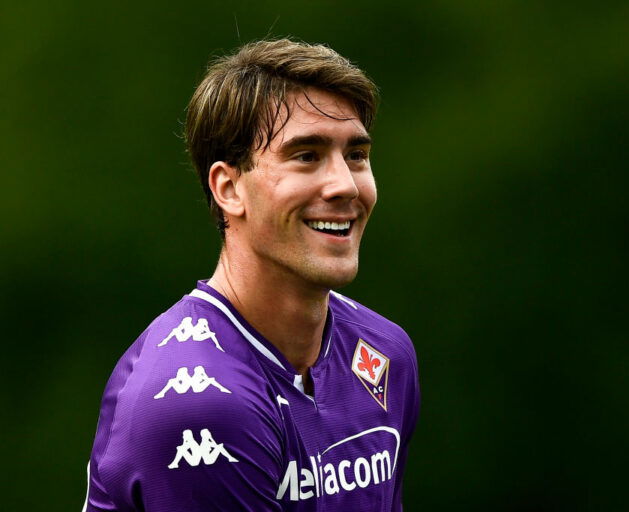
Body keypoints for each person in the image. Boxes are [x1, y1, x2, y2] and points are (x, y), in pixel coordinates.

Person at [83, 39, 420, 511]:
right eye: (306, 155)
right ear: (228, 188)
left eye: (356, 155)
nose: (345, 185)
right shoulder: (199, 403)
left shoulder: (384, 352)